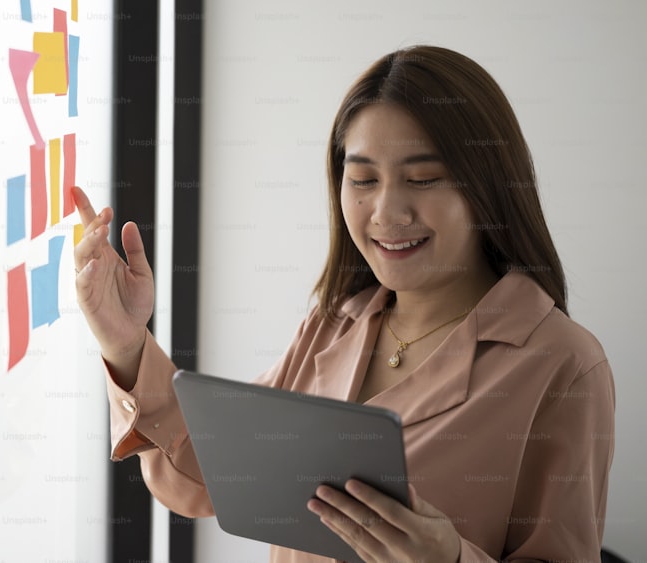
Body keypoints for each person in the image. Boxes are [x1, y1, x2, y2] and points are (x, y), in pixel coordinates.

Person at [72, 45, 615, 563]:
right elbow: (205, 471)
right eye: (362, 179)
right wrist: (124, 342)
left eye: (423, 179)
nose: (386, 211)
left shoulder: (561, 364)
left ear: (490, 187)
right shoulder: (332, 326)